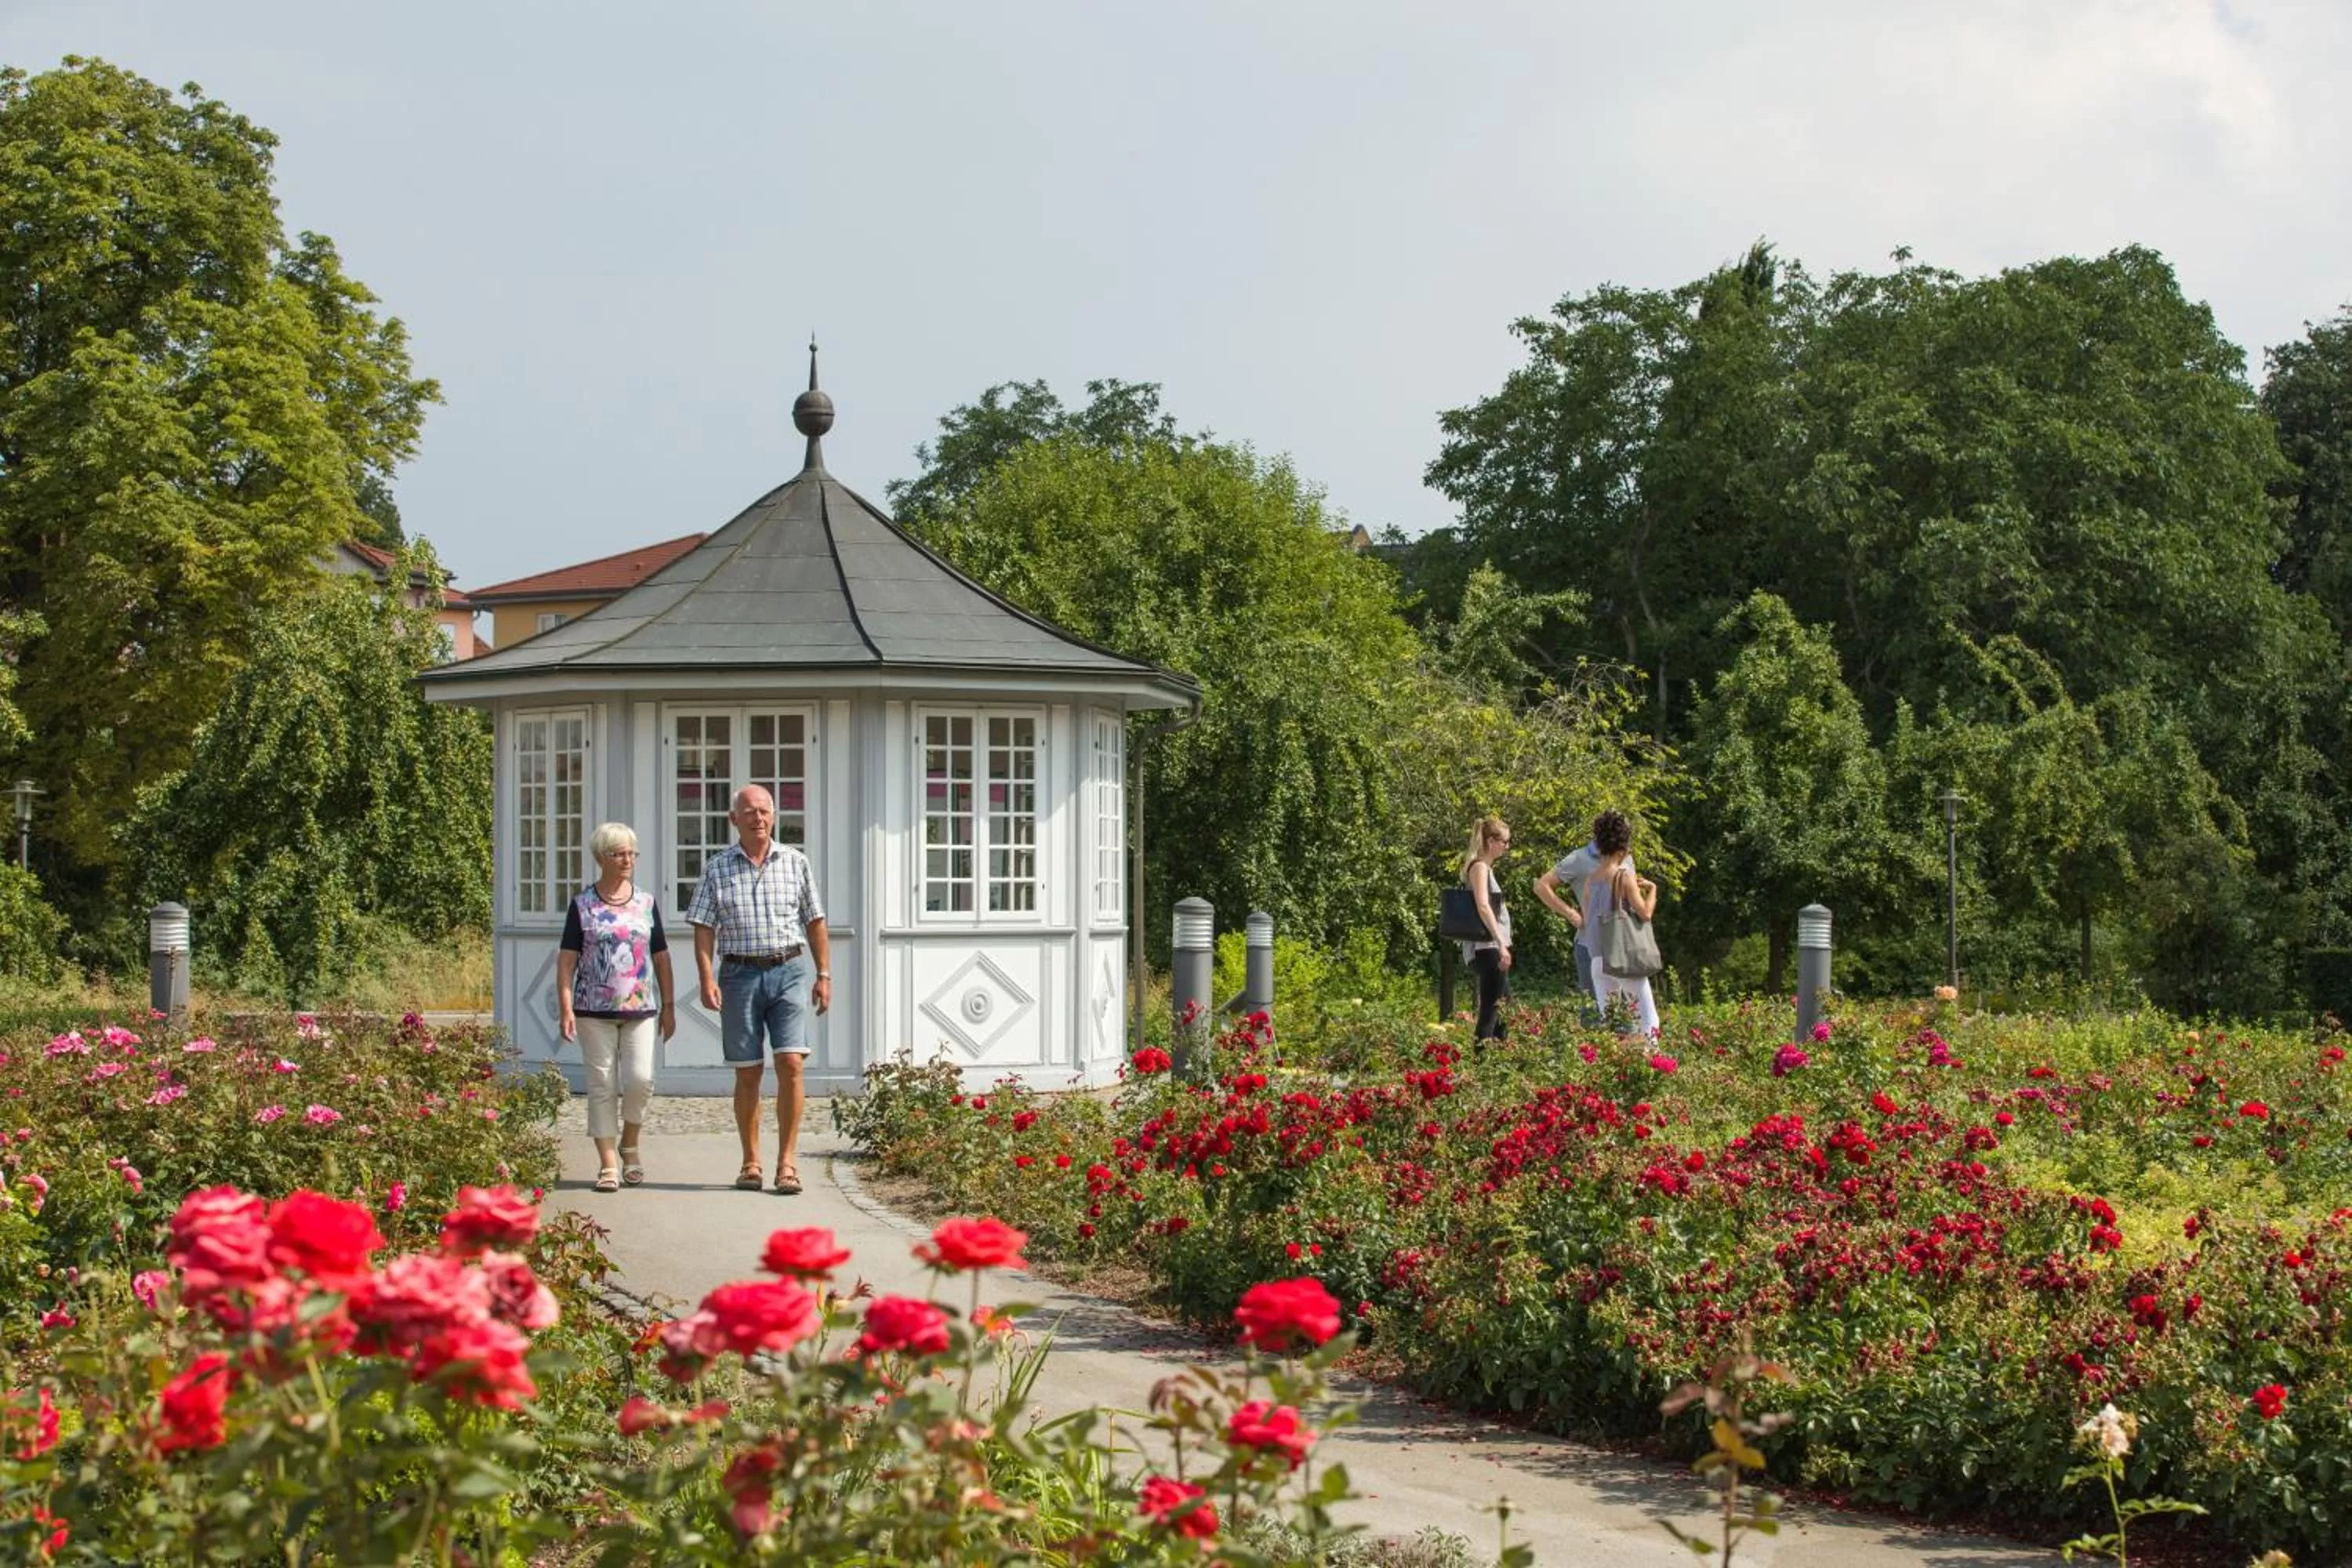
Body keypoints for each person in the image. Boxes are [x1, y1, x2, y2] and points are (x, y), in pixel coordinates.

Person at [685, 785, 831, 1196]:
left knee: (791, 1063)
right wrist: (706, 977)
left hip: (787, 970)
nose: (758, 818)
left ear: (774, 817)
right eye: (749, 812)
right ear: (734, 819)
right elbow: (703, 928)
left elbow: (815, 920)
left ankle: (787, 1163)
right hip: (739, 975)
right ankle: (751, 1162)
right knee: (748, 1070)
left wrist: (824, 974)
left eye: (765, 811)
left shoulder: (796, 862)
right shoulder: (717, 868)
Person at [557, 822, 676, 1192]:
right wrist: (566, 1008)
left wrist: (669, 1005)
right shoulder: (583, 905)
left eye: (632, 854)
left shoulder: (646, 903)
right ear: (601, 858)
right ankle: (609, 1162)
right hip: (593, 1010)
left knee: (641, 1080)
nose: (628, 860)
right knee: (602, 1085)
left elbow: (661, 956)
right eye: (620, 853)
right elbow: (566, 961)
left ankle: (631, 1142)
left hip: (640, 1008)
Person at [1583, 808, 1661, 1038]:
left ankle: (1614, 1069)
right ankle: (1652, 1067)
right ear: (1623, 847)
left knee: (1612, 1025)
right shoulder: (1623, 875)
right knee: (1648, 1019)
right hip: (1622, 958)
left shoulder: (1590, 880)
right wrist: (1653, 889)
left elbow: (1588, 920)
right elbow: (1645, 914)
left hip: (1598, 959)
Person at [1533, 835, 1618, 1015]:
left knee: (1626, 1015)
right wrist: (1572, 915)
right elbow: (1541, 886)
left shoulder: (1625, 857)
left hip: (1621, 947)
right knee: (1593, 1014)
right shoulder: (1580, 858)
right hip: (1589, 946)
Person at [1458, 815, 1514, 1041]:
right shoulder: (1480, 868)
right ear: (1491, 842)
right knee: (1491, 1012)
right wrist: (1501, 943)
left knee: (1504, 1010)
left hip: (1490, 947)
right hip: (1487, 948)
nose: (1507, 847)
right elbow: (1483, 905)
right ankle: (1483, 1067)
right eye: (1504, 842)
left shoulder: (1484, 869)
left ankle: (1500, 1064)